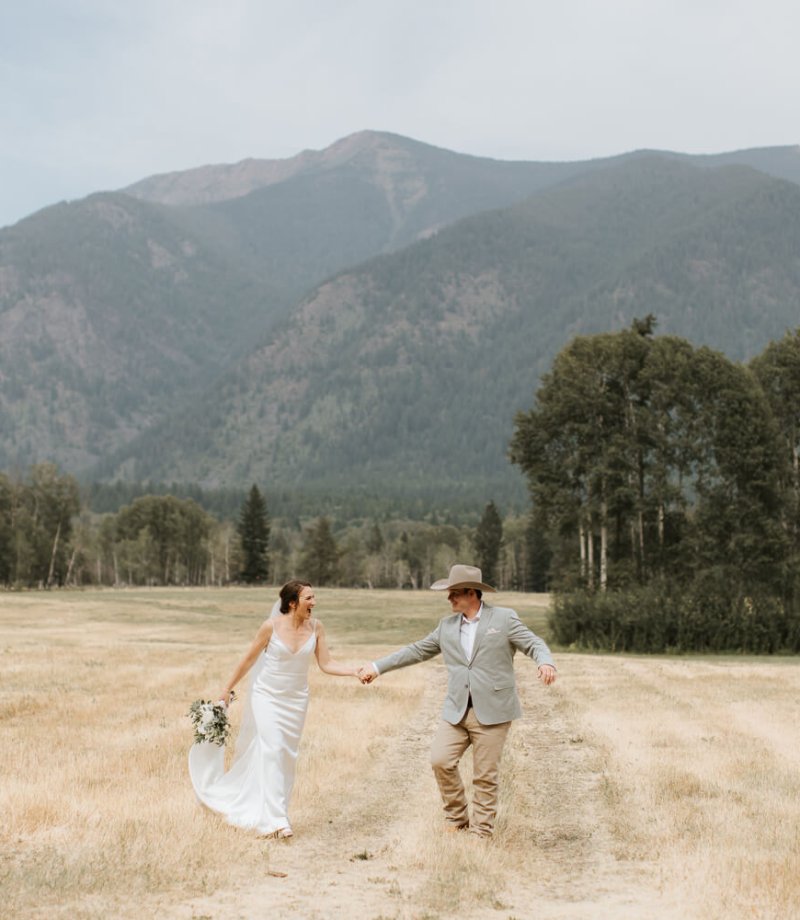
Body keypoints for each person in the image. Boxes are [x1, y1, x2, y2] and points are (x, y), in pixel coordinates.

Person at [358, 564, 556, 839]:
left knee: (484, 776)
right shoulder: (446, 627)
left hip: (494, 711)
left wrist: (545, 662)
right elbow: (416, 651)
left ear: (472, 593)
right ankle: (458, 817)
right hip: (457, 711)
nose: (449, 599)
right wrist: (377, 667)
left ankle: (481, 832)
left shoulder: (504, 619)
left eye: (454, 594)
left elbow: (534, 643)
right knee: (440, 760)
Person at [189, 580, 359, 839]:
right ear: (293, 603)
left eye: (314, 597)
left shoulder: (317, 627)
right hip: (267, 697)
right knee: (273, 749)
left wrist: (354, 671)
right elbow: (248, 660)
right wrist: (226, 689)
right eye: (309, 598)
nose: (314, 603)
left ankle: (268, 809)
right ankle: (277, 820)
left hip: (296, 701)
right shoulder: (270, 627)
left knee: (286, 756)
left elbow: (326, 663)